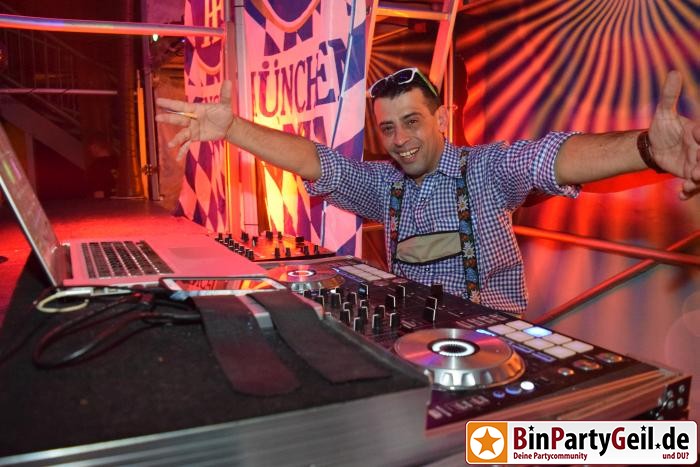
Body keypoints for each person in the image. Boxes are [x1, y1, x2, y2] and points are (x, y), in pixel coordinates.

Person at [155, 68, 699, 314]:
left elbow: (549, 157)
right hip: (414, 343)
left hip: (494, 343)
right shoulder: (382, 186)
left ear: (442, 119)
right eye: (388, 128)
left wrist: (648, 149)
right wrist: (232, 129)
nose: (400, 140)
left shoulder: (485, 171)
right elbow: (317, 161)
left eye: (412, 122)